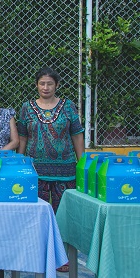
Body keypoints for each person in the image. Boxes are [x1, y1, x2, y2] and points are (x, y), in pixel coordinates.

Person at [17, 67, 85, 212]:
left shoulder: (68, 106)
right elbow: (22, 137)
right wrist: (20, 162)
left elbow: (77, 135)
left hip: (65, 170)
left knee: (63, 212)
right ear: (36, 85)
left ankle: (62, 236)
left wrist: (82, 163)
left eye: (50, 84)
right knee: (35, 211)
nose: (45, 88)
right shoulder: (26, 107)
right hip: (35, 169)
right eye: (42, 83)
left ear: (57, 85)